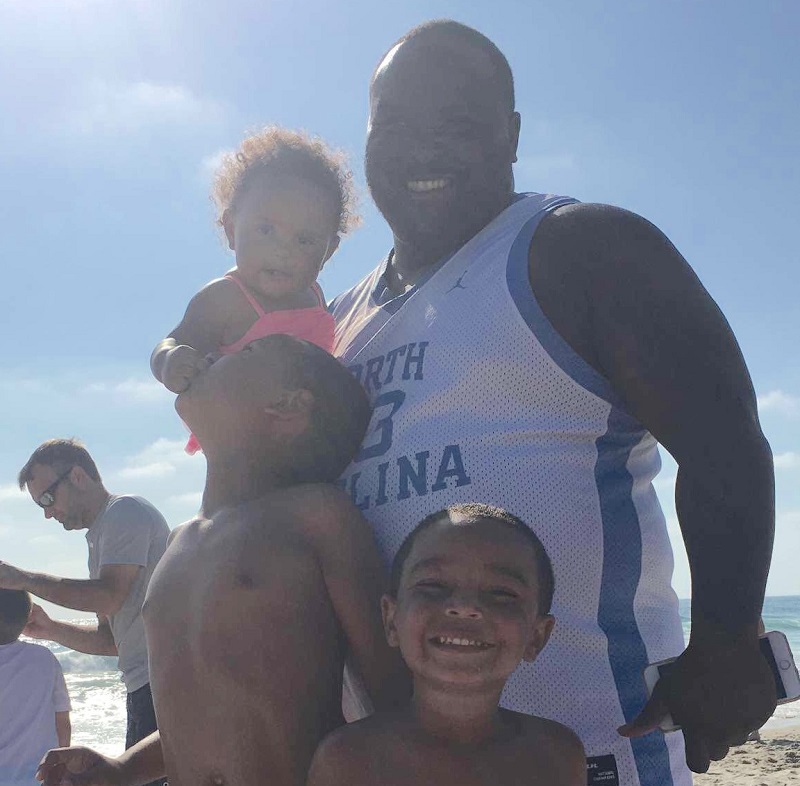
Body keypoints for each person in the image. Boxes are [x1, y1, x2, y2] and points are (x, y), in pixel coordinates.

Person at [330, 19, 776, 784]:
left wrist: (729, 638)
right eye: (394, 123)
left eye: (458, 123)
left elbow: (724, 444)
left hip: (590, 749)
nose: (421, 148)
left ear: (510, 135)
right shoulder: (341, 321)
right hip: (392, 761)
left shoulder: (579, 249)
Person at [37, 334, 409, 786]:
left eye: (245, 353)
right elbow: (200, 711)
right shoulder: (177, 543)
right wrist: (125, 767)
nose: (212, 354)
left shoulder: (316, 516)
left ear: (287, 406)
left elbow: (394, 697)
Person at [308, 503, 585, 786]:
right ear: (391, 621)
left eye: (501, 592)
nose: (464, 607)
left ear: (537, 636)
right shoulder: (349, 761)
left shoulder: (556, 756)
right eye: (433, 586)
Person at [150, 125, 358, 453]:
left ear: (328, 251)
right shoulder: (226, 298)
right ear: (231, 228)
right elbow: (176, 339)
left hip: (306, 441)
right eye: (266, 229)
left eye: (304, 240)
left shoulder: (314, 295)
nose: (283, 250)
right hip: (244, 446)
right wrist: (171, 360)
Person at [0, 439, 169, 768]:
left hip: (164, 682)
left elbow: (109, 595)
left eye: (47, 499)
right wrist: (52, 630)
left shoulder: (125, 511)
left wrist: (25, 579)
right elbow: (112, 642)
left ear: (77, 476)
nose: (48, 513)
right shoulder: (99, 538)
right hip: (143, 684)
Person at [0, 590, 71, 786]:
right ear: (27, 619)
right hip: (40, 779)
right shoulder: (44, 659)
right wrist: (60, 769)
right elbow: (62, 722)